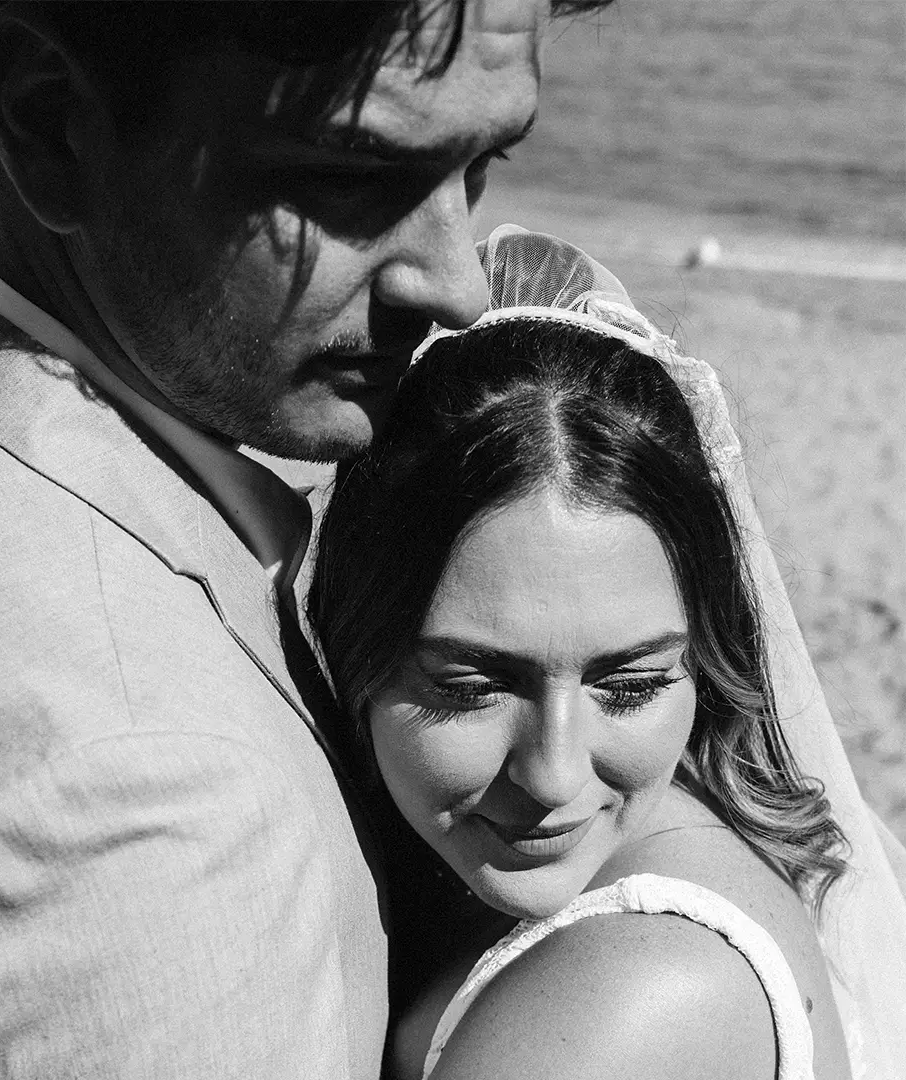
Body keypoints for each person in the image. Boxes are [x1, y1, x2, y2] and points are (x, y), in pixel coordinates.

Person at [0, 3, 613, 1076]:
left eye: (478, 167)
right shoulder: (137, 801)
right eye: (351, 179)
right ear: (50, 119)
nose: (459, 286)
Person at [309, 228, 906, 1079]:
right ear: (355, 630)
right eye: (474, 686)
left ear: (703, 661)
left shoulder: (639, 997)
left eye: (627, 686)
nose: (554, 777)